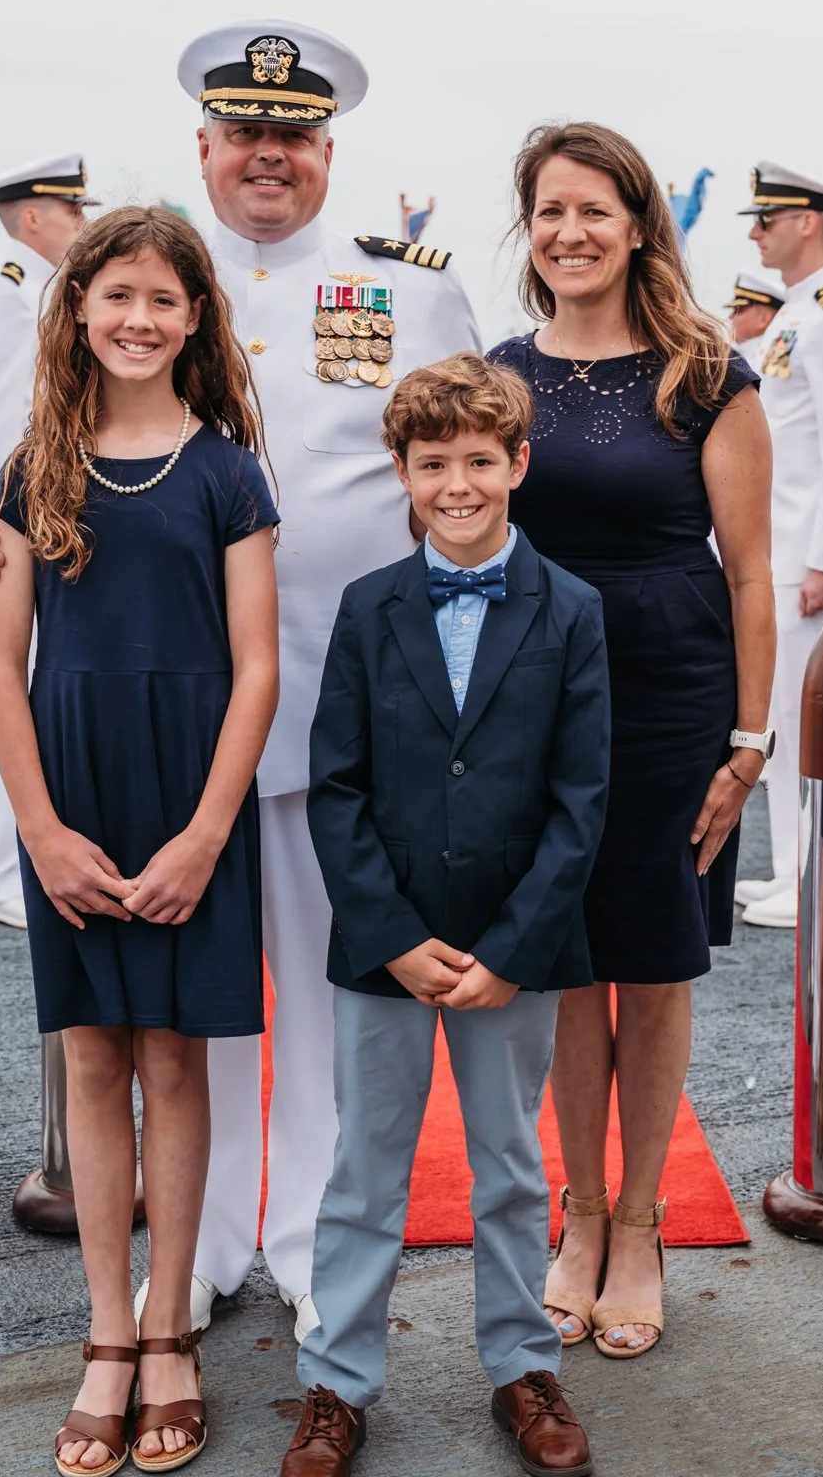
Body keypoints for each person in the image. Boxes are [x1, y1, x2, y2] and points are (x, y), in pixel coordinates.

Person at [0, 22, 480, 1341]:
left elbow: (462, 482)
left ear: (327, 153)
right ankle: (199, 1249)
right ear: (203, 146)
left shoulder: (407, 294)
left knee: (324, 991)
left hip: (343, 703)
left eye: (292, 137)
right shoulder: (145, 284)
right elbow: (31, 461)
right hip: (170, 720)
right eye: (244, 133)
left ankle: (305, 1235)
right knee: (188, 1007)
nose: (268, 156)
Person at [0, 205, 279, 1473]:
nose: (138, 319)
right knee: (95, 1057)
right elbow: (1, 669)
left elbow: (258, 666)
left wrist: (208, 835)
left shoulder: (229, 471)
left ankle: (170, 1329)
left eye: (163, 298)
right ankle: (108, 1331)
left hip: (189, 794)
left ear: (196, 317)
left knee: (174, 1060)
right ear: (80, 311)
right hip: (75, 794)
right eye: (116, 296)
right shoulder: (30, 472)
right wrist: (41, 832)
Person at [280, 354, 606, 1477]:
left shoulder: (573, 609)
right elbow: (336, 787)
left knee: (509, 1164)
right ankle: (336, 1382)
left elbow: (581, 800)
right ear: (402, 473)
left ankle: (522, 1362)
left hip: (515, 947)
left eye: (478, 461)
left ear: (518, 463)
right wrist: (391, 936)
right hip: (387, 944)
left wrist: (510, 950)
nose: (456, 485)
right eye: (432, 465)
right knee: (364, 1168)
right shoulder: (367, 607)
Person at [489, 121, 774, 1362]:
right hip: (538, 702)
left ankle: (643, 1222)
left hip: (671, 701)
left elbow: (752, 574)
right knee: (564, 964)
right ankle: (582, 1214)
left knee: (653, 967)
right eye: (550, 211)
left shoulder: (705, 375)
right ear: (530, 231)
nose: (571, 232)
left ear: (640, 226)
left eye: (595, 210)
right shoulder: (502, 374)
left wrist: (749, 742)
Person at [733, 162, 823, 930]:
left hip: (803, 561)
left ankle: (815, 878)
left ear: (804, 222)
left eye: (764, 220)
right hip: (776, 554)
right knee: (779, 724)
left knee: (809, 724)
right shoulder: (793, 316)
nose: (754, 234)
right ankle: (791, 868)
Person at [0, 153, 98, 927]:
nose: (83, 223)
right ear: (34, 215)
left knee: (35, 694)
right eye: (74, 210)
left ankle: (4, 868)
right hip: (24, 528)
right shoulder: (6, 291)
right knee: (11, 692)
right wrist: (4, 527)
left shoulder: (47, 291)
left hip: (52, 519)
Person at [724, 271, 785, 366]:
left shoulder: (764, 361)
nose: (731, 316)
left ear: (763, 319)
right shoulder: (741, 355)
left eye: (738, 310)